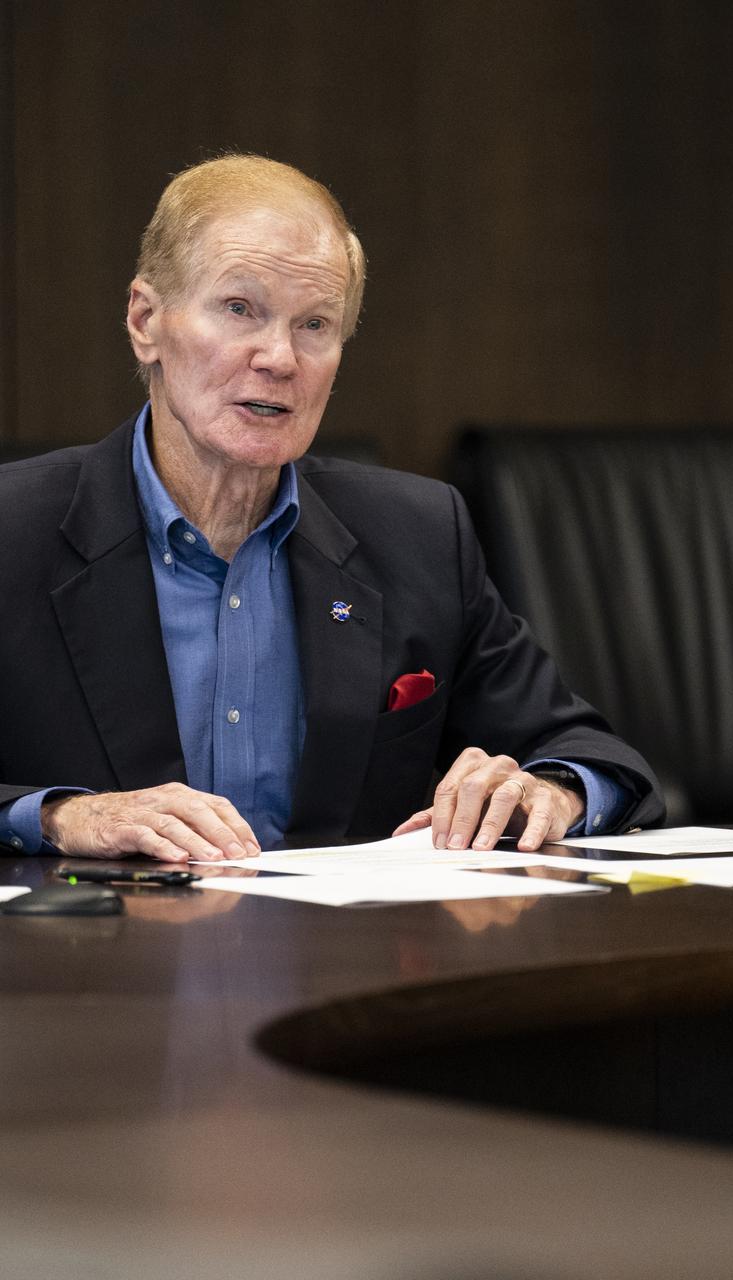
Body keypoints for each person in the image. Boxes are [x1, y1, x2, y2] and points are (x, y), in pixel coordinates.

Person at [0, 154, 663, 863]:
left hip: (347, 932)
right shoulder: (16, 529)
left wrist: (552, 791)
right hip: (111, 933)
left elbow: (586, 753)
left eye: (315, 324)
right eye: (239, 309)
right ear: (146, 321)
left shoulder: (416, 533)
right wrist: (60, 816)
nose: (280, 358)